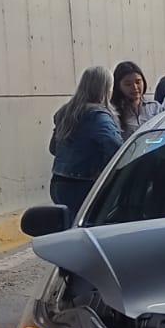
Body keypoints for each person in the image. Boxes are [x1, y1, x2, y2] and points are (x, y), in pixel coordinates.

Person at [49, 66, 122, 218]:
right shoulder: (99, 116)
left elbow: (53, 148)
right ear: (105, 88)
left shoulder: (65, 112)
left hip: (58, 182)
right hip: (83, 184)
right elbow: (116, 149)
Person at [110, 60, 160, 136]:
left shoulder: (154, 106)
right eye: (128, 84)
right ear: (118, 86)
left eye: (138, 82)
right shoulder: (113, 110)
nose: (135, 87)